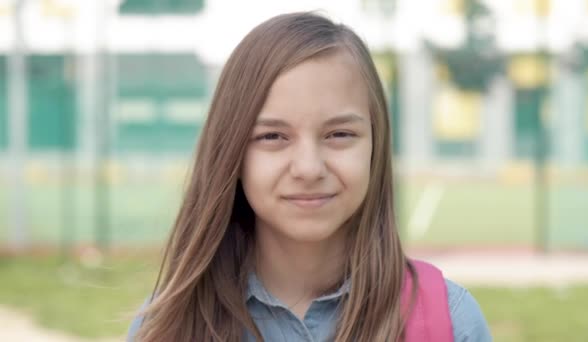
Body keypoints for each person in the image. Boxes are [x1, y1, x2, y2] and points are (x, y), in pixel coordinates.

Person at [127, 12, 492, 341]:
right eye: (272, 136)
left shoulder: (450, 322)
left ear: (375, 146)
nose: (308, 168)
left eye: (338, 135)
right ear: (232, 153)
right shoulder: (168, 326)